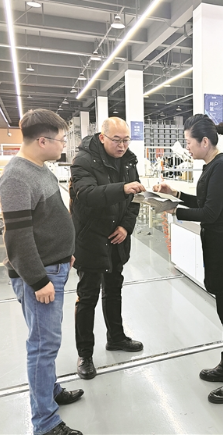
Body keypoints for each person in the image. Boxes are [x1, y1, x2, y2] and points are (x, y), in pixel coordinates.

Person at [153, 114, 223, 404]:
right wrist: (175, 194)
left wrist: (172, 210)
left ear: (204, 141)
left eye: (189, 142)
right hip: (218, 245)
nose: (188, 147)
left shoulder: (222, 167)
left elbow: (210, 213)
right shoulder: (211, 166)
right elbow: (205, 202)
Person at [0, 109, 83, 435]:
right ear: (43, 141)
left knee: (48, 342)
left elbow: (47, 219)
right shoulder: (17, 178)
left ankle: (51, 390)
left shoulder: (39, 168)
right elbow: (17, 237)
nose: (64, 145)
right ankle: (45, 423)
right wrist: (38, 279)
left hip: (53, 266)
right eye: (61, 140)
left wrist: (65, 251)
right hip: (40, 276)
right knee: (43, 346)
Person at [69, 117, 146, 380]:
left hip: (116, 238)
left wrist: (126, 226)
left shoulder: (129, 161)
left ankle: (116, 337)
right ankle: (85, 354)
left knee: (113, 290)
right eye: (117, 140)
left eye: (126, 140)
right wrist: (122, 188)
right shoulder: (83, 161)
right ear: (102, 137)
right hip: (91, 238)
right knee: (87, 296)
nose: (122, 146)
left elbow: (135, 199)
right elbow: (87, 194)